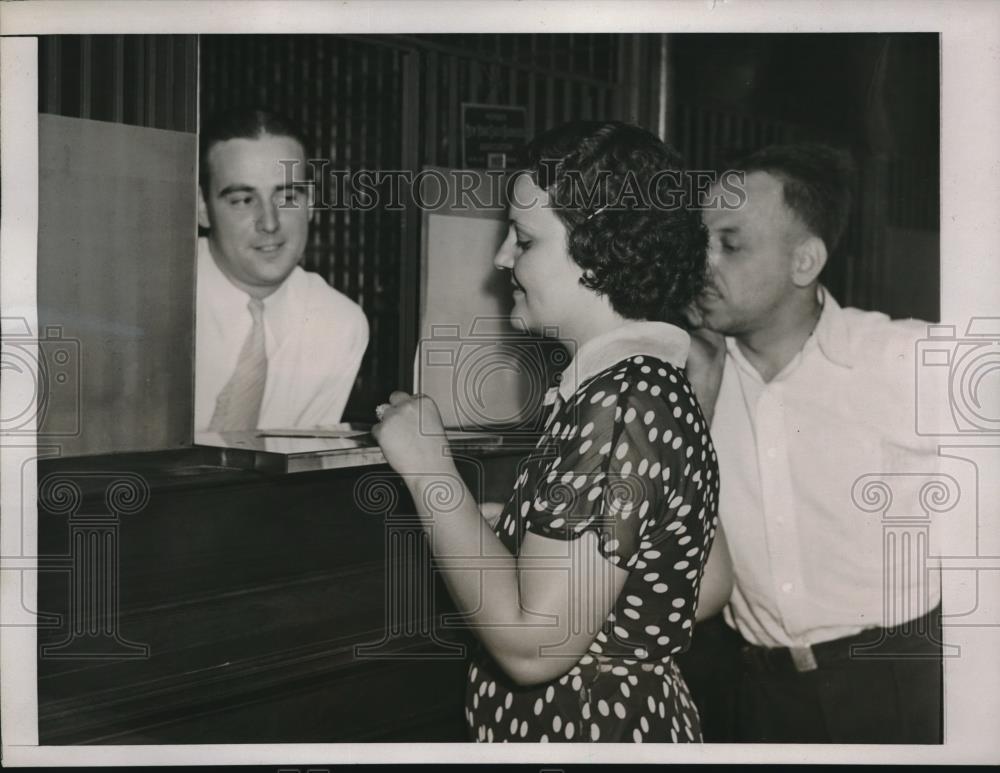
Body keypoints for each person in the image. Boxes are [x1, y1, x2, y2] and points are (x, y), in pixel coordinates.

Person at [374, 121, 731, 743]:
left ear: (598, 250)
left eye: (524, 239)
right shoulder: (644, 382)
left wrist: (430, 470)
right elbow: (705, 583)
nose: (502, 258)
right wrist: (527, 541)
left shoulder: (620, 401)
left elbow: (533, 647)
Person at [685, 142, 943, 743]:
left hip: (898, 686)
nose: (701, 263)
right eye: (698, 241)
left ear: (805, 261)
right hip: (756, 695)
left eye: (730, 243)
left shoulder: (901, 357)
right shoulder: (689, 377)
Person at [194, 106, 368, 432]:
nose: (270, 223)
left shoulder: (339, 324)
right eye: (244, 200)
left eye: (287, 195)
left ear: (311, 202)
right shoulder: (153, 304)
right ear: (203, 208)